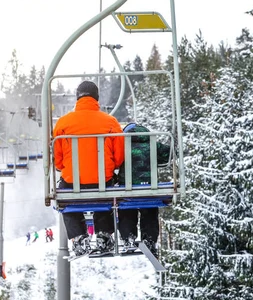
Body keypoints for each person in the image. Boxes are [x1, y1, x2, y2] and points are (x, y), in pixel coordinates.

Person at [53, 80, 125, 256]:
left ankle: (78, 237)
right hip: (103, 182)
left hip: (72, 183)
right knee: (105, 195)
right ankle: (104, 235)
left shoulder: (63, 123)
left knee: (64, 198)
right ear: (97, 99)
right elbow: (119, 158)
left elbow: (58, 161)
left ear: (77, 98)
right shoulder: (111, 122)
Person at [117, 123, 170, 258]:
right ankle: (150, 240)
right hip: (148, 188)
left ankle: (128, 237)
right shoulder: (152, 144)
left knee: (126, 210)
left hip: (126, 189)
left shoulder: (121, 145)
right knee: (150, 210)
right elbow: (168, 154)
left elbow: (114, 160)